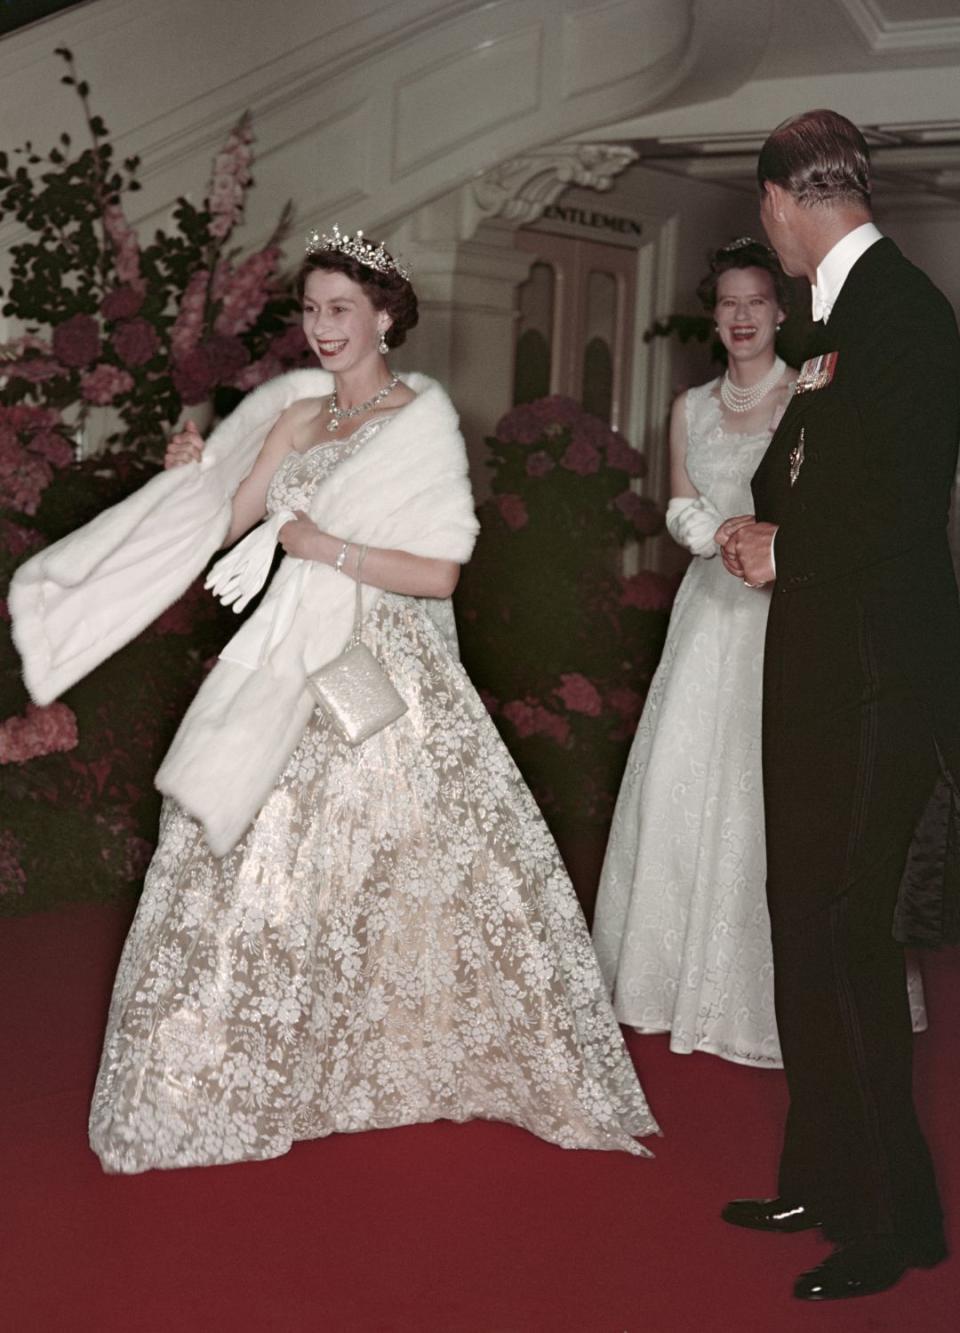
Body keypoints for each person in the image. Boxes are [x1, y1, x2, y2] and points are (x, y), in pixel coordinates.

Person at [11, 228, 658, 1172]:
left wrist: (326, 549)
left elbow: (437, 573)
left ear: (386, 316)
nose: (322, 328)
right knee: (251, 855)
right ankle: (250, 1070)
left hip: (385, 664)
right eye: (312, 310)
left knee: (396, 850)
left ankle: (410, 1047)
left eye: (341, 309)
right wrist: (187, 475)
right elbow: (226, 524)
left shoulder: (421, 418)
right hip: (290, 656)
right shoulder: (299, 419)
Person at [718, 110, 960, 1301]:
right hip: (814, 669)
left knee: (851, 940)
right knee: (801, 927)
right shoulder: (833, 326)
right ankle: (820, 1172)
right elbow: (793, 475)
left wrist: (789, 549)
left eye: (762, 210)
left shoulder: (907, 315)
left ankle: (895, 1219)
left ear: (784, 200)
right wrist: (770, 527)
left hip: (872, 678)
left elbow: (908, 508)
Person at [593, 239, 799, 1065]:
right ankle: (666, 979)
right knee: (683, 776)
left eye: (756, 302)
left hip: (780, 608)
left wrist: (766, 542)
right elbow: (677, 503)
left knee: (765, 788)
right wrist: (709, 531)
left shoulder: (809, 397)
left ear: (781, 311)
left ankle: (761, 996)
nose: (742, 317)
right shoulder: (690, 405)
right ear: (712, 317)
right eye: (728, 304)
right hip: (709, 605)